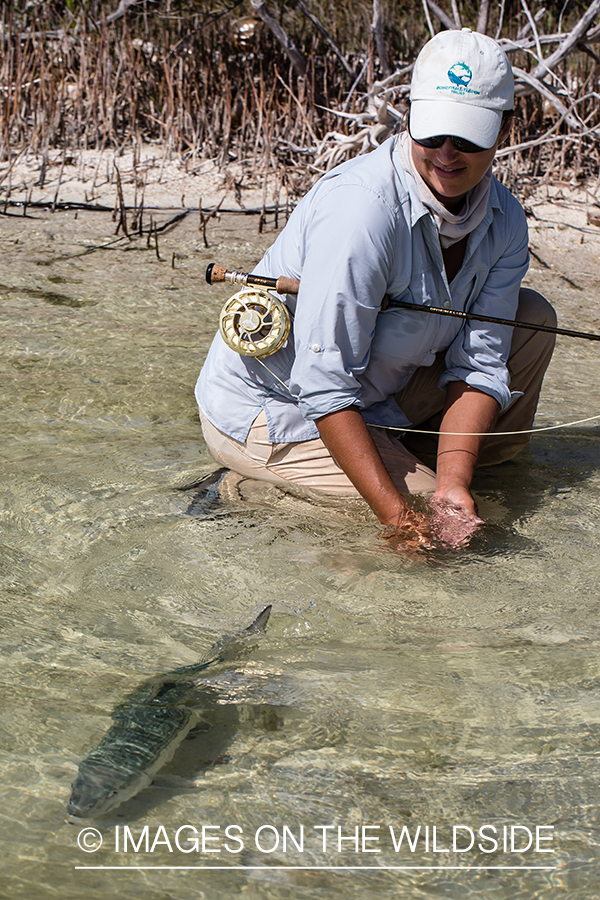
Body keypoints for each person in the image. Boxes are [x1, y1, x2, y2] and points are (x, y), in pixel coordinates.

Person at [195, 28, 556, 548]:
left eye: (468, 137)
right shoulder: (362, 212)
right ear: (409, 115)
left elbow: (480, 364)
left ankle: (435, 467)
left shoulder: (505, 220)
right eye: (431, 132)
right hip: (276, 409)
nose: (447, 154)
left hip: (373, 393)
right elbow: (321, 384)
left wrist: (454, 485)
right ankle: (257, 486)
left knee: (532, 319)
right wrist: (398, 519)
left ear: (504, 128)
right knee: (432, 534)